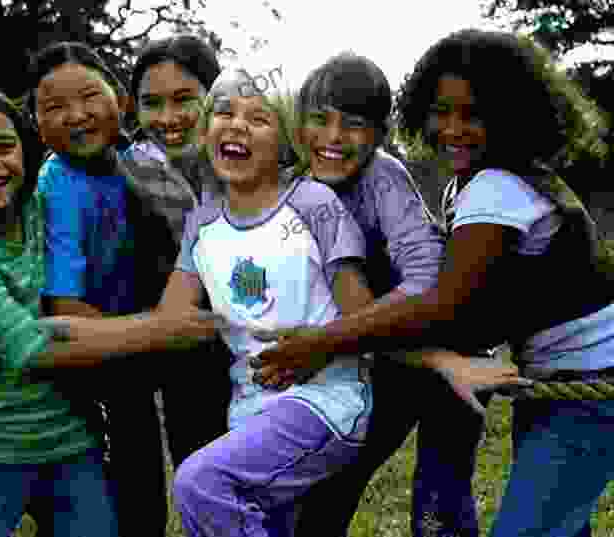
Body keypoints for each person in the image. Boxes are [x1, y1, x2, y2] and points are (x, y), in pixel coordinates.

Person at [256, 29, 614, 537]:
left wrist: (319, 343)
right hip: (557, 379)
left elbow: (443, 303)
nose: (453, 129)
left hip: (591, 384)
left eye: (473, 115)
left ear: (513, 114)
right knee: (554, 518)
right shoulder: (481, 184)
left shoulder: (497, 189)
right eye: (441, 111)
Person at [0, 83, 215, 537]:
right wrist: (165, 328)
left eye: (3, 146)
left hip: (74, 446)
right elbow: (34, 349)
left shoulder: (37, 210)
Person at [292, 52, 497, 537]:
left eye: (355, 125)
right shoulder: (299, 180)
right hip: (384, 357)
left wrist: (334, 336)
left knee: (437, 504)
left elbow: (425, 276)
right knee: (328, 488)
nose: (334, 138)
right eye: (320, 121)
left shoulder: (382, 176)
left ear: (381, 135)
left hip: (448, 353)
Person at [166, 66, 375, 537]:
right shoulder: (201, 224)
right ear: (206, 131)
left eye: (259, 118)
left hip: (326, 402)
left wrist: (442, 361)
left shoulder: (313, 202)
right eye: (223, 112)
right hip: (248, 409)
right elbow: (168, 319)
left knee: (203, 484)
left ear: (285, 143)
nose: (237, 124)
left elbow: (368, 318)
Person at [25, 40, 210, 537]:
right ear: (36, 121)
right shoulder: (58, 186)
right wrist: (163, 330)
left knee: (163, 484)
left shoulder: (137, 157)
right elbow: (65, 305)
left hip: (152, 345)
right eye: (54, 107)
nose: (75, 115)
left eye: (88, 97)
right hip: (97, 362)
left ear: (119, 101)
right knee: (123, 503)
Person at [121, 35, 234, 469]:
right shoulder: (129, 172)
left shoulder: (254, 159)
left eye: (184, 99)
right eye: (152, 103)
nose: (167, 118)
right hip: (188, 359)